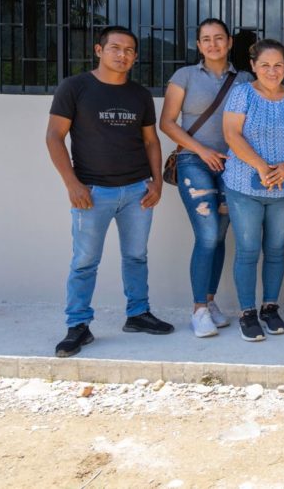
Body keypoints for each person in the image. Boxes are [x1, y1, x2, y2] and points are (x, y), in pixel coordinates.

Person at [46, 25, 173, 358]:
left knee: (136, 256)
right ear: (99, 50)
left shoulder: (139, 94)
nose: (122, 54)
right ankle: (78, 325)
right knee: (85, 262)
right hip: (91, 191)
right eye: (115, 48)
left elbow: (151, 140)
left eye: (129, 50)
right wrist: (72, 183)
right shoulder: (75, 87)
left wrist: (157, 181)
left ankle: (138, 314)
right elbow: (54, 137)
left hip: (136, 191)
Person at [159, 18, 253, 338]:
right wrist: (202, 151)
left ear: (229, 42)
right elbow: (167, 122)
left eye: (219, 38)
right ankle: (198, 309)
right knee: (208, 234)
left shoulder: (245, 79)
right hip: (193, 161)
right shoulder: (184, 76)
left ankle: (210, 301)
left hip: (233, 166)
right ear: (198, 45)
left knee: (221, 234)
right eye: (206, 39)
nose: (213, 44)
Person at [222, 38, 284, 342]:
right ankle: (247, 313)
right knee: (247, 250)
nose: (272, 71)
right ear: (253, 66)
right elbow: (231, 134)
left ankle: (270, 307)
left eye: (278, 65)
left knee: (276, 250)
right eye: (265, 65)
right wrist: (261, 166)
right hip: (244, 185)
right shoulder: (242, 94)